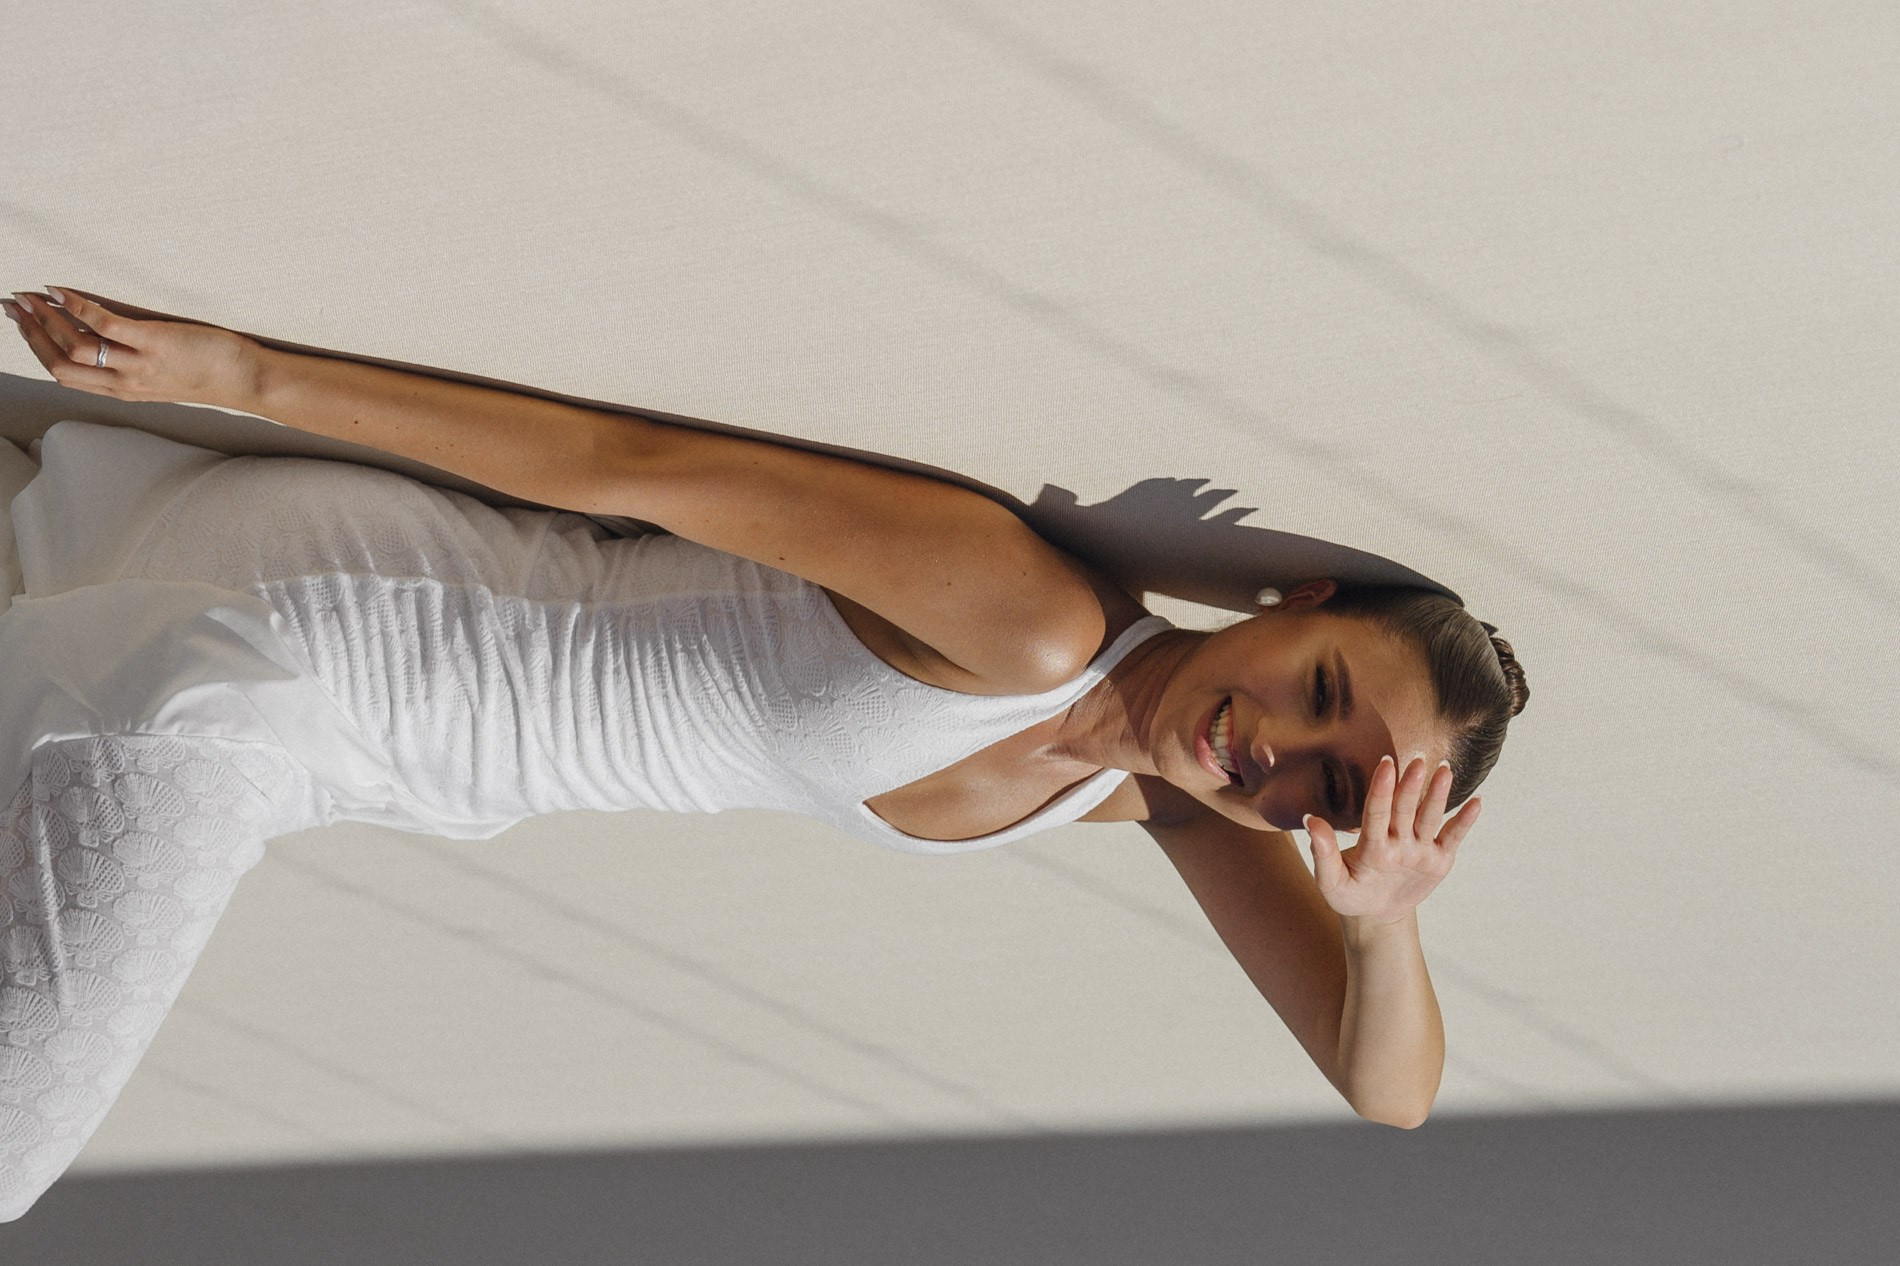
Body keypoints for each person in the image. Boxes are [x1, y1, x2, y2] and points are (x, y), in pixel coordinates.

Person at [0, 288, 1527, 1220]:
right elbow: (638, 468)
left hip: (351, 754)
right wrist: (240, 372)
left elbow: (1386, 1088)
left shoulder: (1160, 800)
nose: (1272, 748)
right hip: (300, 650)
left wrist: (1378, 920)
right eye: (1319, 688)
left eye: (1332, 785)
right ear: (1295, 606)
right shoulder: (1038, 624)